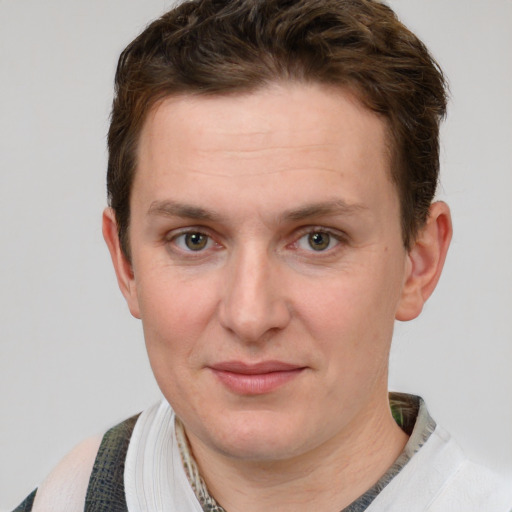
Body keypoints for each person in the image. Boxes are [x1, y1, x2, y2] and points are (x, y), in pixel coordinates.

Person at [12, 0, 512, 510]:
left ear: (418, 263)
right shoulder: (66, 499)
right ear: (125, 263)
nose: (250, 316)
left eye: (318, 239)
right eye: (194, 239)